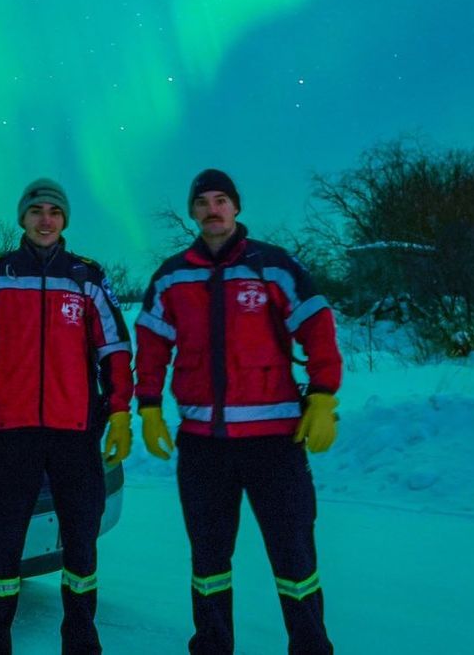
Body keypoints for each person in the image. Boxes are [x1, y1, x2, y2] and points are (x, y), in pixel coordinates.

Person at [134, 169, 342, 654]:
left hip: (274, 442)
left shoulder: (273, 266)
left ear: (236, 207)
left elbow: (316, 326)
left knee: (294, 558)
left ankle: (311, 647)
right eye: (203, 201)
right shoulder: (172, 276)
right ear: (192, 212)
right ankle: (212, 646)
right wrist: (146, 408)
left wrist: (324, 396)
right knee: (208, 561)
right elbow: (150, 346)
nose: (213, 208)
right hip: (203, 444)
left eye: (222, 199)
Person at [0, 177, 134, 655]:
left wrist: (120, 413)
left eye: (54, 211)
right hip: (13, 433)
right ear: (22, 219)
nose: (45, 219)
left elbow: (115, 348)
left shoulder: (86, 277)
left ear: (65, 219)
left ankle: (80, 642)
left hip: (75, 433)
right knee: (4, 543)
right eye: (36, 211)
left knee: (80, 544)